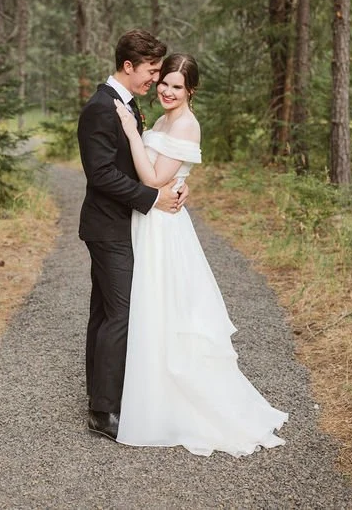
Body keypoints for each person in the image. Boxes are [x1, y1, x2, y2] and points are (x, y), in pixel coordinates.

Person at [112, 53, 288, 457]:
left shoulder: (187, 125)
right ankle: (149, 395)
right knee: (150, 308)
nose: (167, 91)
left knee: (167, 308)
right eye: (164, 83)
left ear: (191, 90)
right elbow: (163, 176)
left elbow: (155, 179)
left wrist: (130, 132)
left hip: (163, 227)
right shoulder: (160, 121)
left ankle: (173, 403)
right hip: (150, 219)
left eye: (176, 86)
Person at [77, 29, 187, 441]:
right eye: (151, 71)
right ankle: (104, 412)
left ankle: (103, 396)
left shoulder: (127, 105)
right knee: (118, 314)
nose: (155, 80)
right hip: (108, 226)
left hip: (122, 224)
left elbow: (141, 161)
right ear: (128, 66)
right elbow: (101, 174)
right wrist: (153, 198)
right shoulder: (101, 108)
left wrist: (174, 182)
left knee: (107, 312)